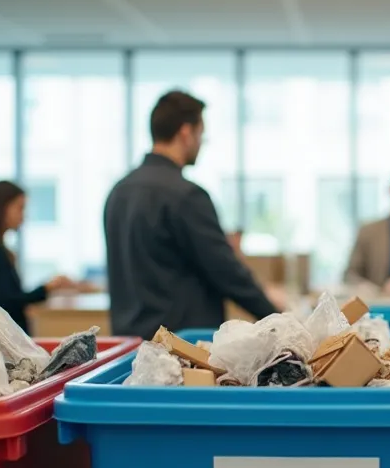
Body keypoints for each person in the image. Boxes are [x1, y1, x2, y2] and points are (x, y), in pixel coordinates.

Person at [104, 90, 278, 337]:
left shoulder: (118, 193)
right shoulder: (186, 196)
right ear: (186, 133)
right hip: (180, 348)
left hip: (131, 349)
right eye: (201, 134)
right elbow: (227, 273)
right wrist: (277, 318)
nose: (200, 143)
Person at [0, 181, 75, 334]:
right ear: (2, 209)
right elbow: (8, 302)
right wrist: (48, 287)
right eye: (20, 208)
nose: (23, 216)